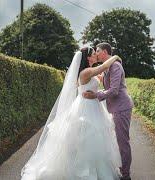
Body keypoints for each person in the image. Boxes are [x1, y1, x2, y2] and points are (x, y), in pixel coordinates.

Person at [21, 47, 122, 180]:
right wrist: (115, 58)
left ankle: (95, 168)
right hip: (86, 107)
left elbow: (100, 75)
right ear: (87, 58)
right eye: (93, 54)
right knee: (86, 138)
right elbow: (103, 67)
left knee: (93, 138)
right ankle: (82, 170)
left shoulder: (88, 72)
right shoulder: (86, 72)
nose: (95, 56)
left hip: (93, 105)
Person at [83, 43, 134, 180]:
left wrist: (95, 95)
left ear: (104, 52)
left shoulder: (115, 66)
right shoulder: (107, 67)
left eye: (98, 51)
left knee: (123, 141)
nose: (96, 53)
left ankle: (126, 175)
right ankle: (123, 169)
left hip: (122, 108)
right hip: (116, 108)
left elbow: (114, 90)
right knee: (118, 139)